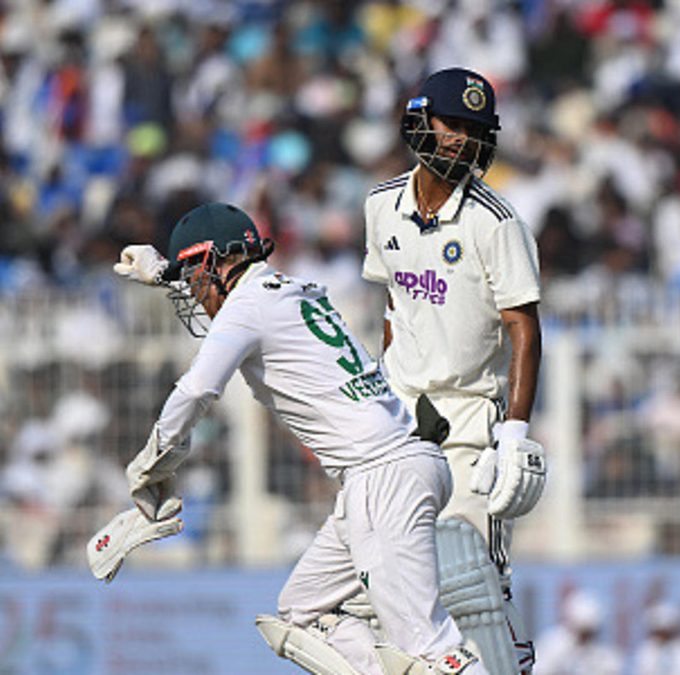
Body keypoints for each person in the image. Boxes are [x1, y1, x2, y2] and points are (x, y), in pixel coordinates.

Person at [112, 202, 488, 675]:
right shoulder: (287, 289)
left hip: (381, 477)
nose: (194, 292)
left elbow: (196, 390)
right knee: (301, 615)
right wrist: (167, 272)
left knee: (431, 650)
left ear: (217, 262)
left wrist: (151, 464)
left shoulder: (247, 306)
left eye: (194, 277)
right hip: (396, 467)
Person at [360, 67, 545, 675]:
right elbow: (393, 308)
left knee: (475, 584)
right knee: (394, 580)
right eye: (452, 124)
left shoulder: (496, 221)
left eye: (474, 129)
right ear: (421, 121)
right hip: (400, 418)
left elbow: (524, 328)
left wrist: (513, 433)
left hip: (469, 420)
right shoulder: (381, 205)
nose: (463, 139)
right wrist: (381, 399)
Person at [533, 590, 623, 675]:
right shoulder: (552, 645)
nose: (585, 637)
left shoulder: (603, 655)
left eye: (589, 633)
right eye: (582, 632)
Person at [631, 602, 680, 675]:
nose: (662, 634)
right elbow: (641, 669)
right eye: (659, 630)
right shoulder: (647, 648)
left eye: (666, 630)